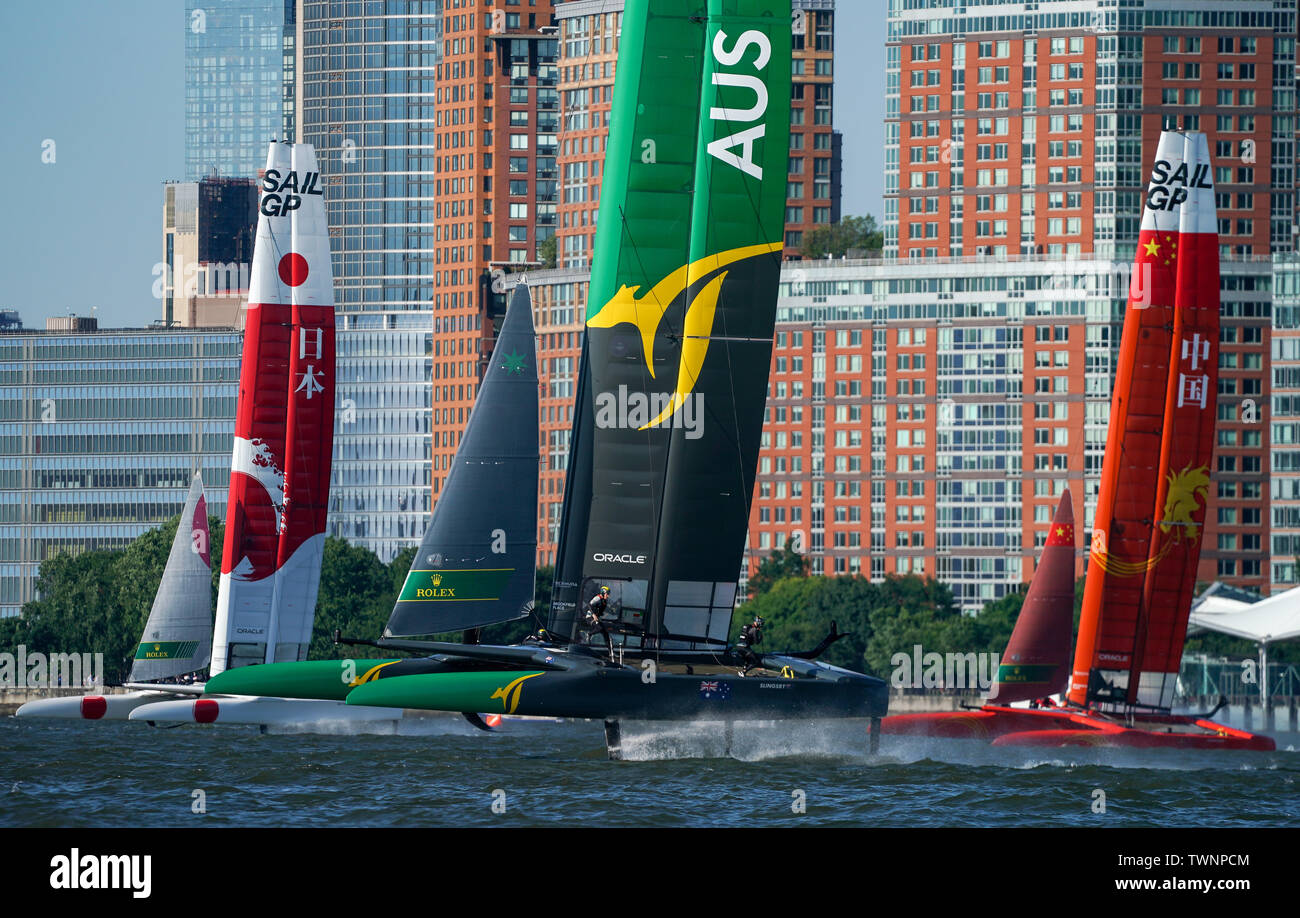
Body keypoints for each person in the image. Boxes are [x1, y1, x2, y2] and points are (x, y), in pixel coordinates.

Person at [584, 586, 613, 653]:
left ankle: (611, 652)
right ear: (603, 593)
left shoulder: (604, 600)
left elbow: (602, 609)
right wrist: (594, 615)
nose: (608, 596)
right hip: (590, 617)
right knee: (599, 628)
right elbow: (589, 605)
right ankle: (589, 634)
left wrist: (612, 611)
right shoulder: (597, 598)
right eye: (607, 594)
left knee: (606, 633)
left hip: (597, 618)